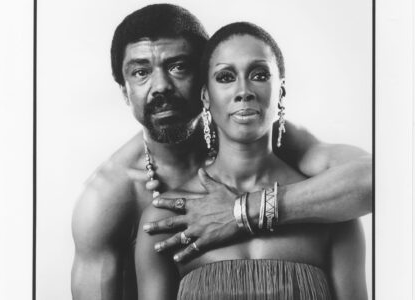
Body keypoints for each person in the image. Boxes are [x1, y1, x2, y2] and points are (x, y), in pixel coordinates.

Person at [71, 4, 372, 300]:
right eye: (140, 72)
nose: (161, 85)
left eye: (178, 66)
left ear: (202, 81)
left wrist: (239, 211)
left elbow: (376, 179)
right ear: (124, 90)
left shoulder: (269, 132)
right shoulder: (106, 201)